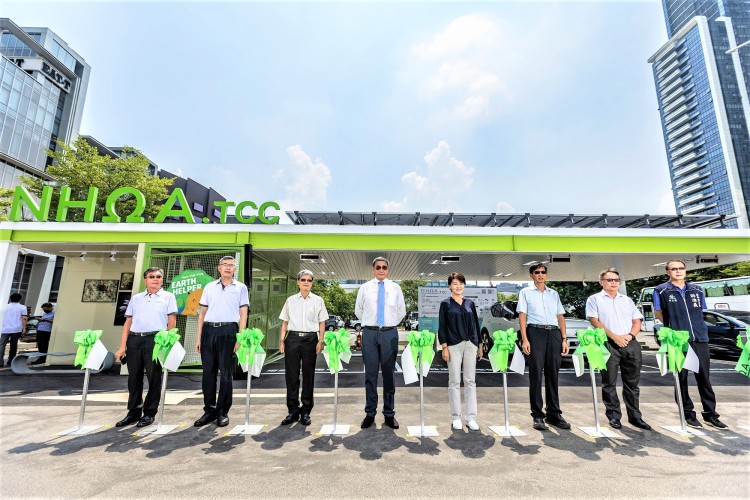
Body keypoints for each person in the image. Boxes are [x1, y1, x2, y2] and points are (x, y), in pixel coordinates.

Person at [653, 260, 727, 430]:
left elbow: (700, 311)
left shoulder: (697, 290)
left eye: (681, 268)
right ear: (667, 272)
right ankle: (688, 414)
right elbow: (658, 312)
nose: (678, 271)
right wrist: (673, 328)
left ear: (685, 271)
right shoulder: (661, 290)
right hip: (678, 341)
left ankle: (710, 414)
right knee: (681, 378)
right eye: (674, 269)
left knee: (704, 378)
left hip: (700, 338)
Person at [586, 268, 651, 430]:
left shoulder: (627, 300)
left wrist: (629, 336)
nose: (614, 282)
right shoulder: (594, 299)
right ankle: (614, 417)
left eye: (616, 280)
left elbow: (637, 321)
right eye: (610, 280)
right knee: (609, 383)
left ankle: (635, 417)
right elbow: (594, 321)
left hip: (630, 343)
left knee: (632, 384)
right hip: (608, 344)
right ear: (601, 282)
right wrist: (614, 337)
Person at [114, 268, 177, 428]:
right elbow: (128, 323)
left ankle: (149, 413)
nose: (155, 279)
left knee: (154, 377)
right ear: (145, 280)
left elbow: (171, 321)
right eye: (151, 277)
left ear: (162, 279)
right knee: (133, 378)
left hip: (155, 340)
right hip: (134, 339)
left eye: (158, 276)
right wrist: (122, 346)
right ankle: (133, 412)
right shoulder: (136, 299)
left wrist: (168, 343)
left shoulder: (168, 297)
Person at [194, 256, 249, 428]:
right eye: (225, 265)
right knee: (208, 373)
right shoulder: (209, 287)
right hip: (209, 331)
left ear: (234, 269)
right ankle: (209, 410)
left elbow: (243, 314)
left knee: (226, 373)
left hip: (229, 331)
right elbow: (202, 313)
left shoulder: (240, 288)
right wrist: (199, 337)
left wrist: (240, 337)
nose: (228, 268)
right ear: (219, 268)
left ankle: (222, 411)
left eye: (231, 265)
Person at [518, 264, 570, 431]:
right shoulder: (525, 292)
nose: (540, 275)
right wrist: (525, 339)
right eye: (537, 272)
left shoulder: (553, 294)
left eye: (543, 272)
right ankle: (537, 416)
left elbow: (560, 316)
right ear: (531, 275)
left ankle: (553, 414)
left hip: (554, 333)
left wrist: (564, 339)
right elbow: (522, 316)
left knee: (553, 375)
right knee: (536, 375)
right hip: (535, 333)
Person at [355, 257, 406, 429]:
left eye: (384, 267)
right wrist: (371, 323)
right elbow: (358, 310)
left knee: (389, 375)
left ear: (388, 269)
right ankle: (370, 413)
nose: (381, 270)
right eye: (378, 267)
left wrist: (388, 324)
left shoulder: (395, 288)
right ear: (373, 269)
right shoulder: (364, 288)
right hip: (370, 333)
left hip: (389, 334)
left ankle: (389, 414)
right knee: (370, 375)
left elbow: (401, 311)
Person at [278, 270, 327, 426]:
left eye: (309, 280)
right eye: (303, 280)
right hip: (292, 338)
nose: (306, 282)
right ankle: (292, 411)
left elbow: (322, 322)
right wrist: (281, 340)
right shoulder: (290, 300)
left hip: (310, 340)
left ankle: (306, 411)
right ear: (298, 282)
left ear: (312, 283)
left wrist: (321, 340)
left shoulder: (318, 300)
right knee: (291, 376)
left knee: (308, 375)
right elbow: (285, 322)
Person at [438, 272, 483, 431]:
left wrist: (479, 344)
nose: (458, 286)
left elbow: (476, 324)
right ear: (450, 286)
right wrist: (444, 347)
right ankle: (456, 417)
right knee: (454, 381)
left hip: (471, 344)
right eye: (455, 283)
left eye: (461, 283)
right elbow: (442, 326)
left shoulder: (470, 303)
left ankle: (471, 418)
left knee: (470, 381)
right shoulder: (445, 304)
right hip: (453, 345)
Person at [1, 293, 27, 367]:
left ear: (10, 298)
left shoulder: (5, 306)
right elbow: (24, 318)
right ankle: (11, 361)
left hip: (4, 329)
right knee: (13, 345)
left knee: (1, 345)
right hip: (16, 329)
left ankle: (0, 362)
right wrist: (24, 328)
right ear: (20, 299)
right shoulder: (22, 307)